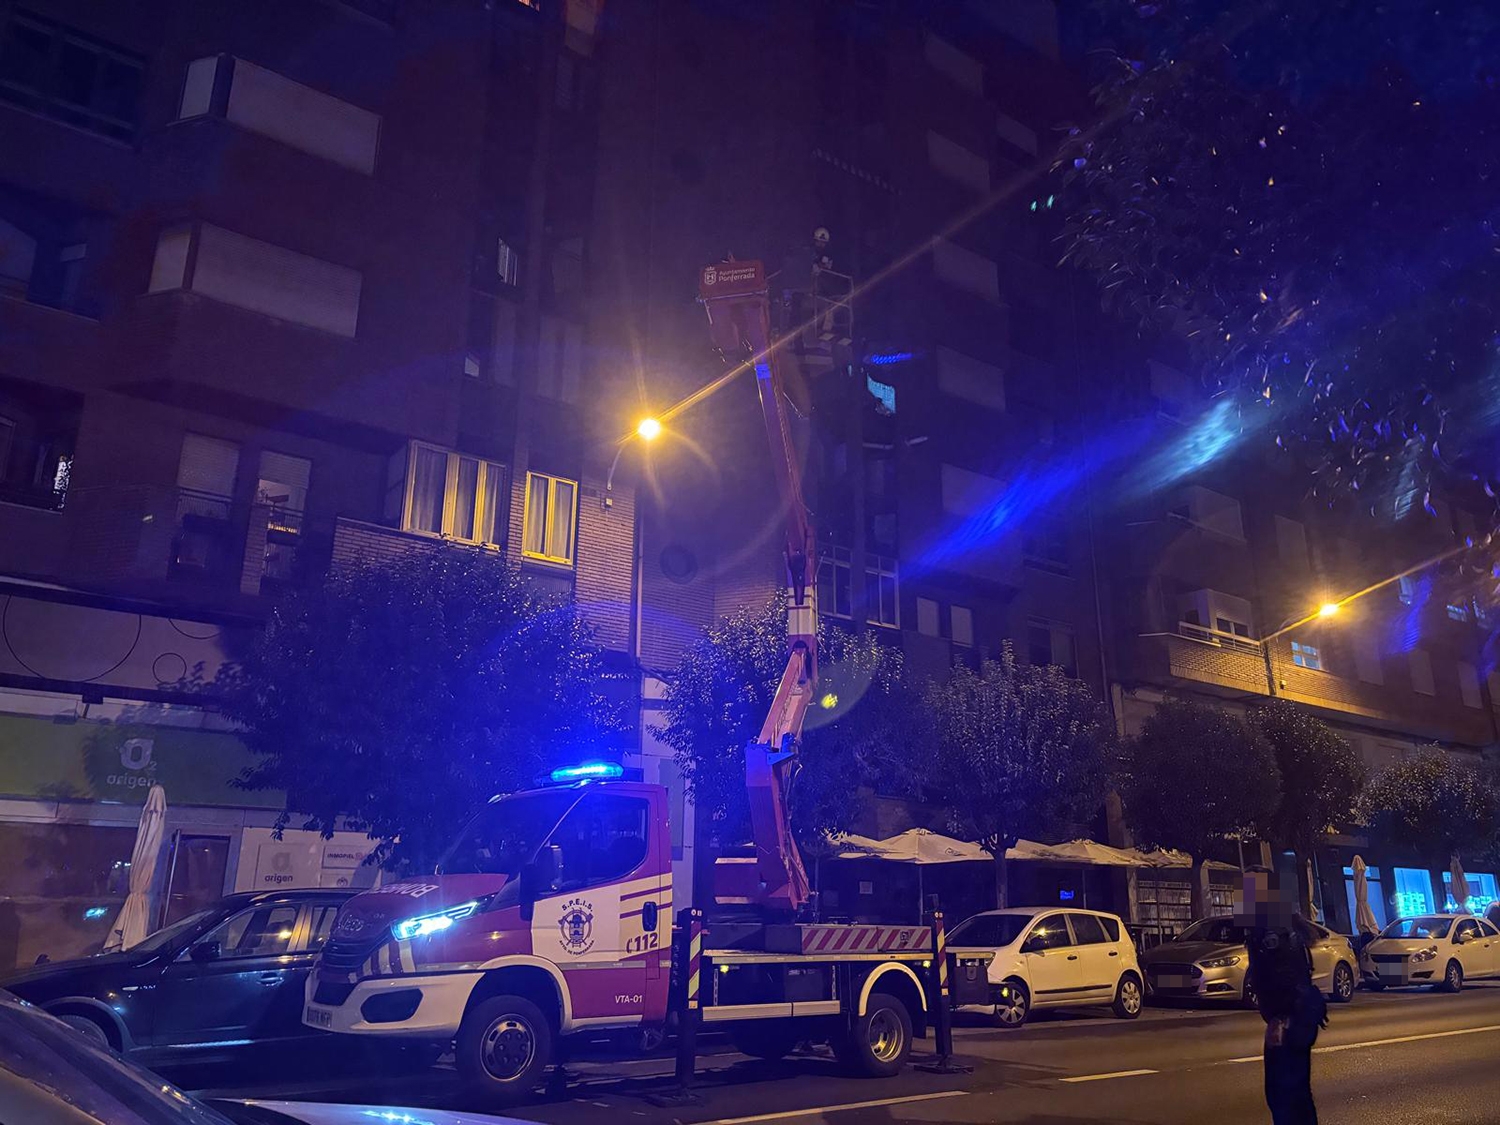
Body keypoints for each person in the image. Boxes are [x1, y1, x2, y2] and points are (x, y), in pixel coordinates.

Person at [1234, 867, 1327, 1125]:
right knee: (1296, 1093)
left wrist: (1280, 1019)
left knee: (1282, 1095)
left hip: (1289, 1019)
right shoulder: (1283, 921)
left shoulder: (1270, 929)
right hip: (1300, 1015)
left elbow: (1283, 974)